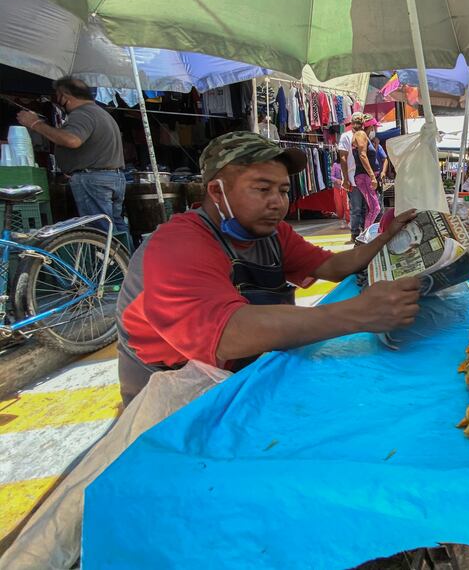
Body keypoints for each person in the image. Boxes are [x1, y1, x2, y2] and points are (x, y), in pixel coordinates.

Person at [115, 131, 420, 405]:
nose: (277, 203)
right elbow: (228, 334)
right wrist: (358, 313)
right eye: (262, 189)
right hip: (172, 400)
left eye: (284, 191)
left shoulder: (272, 234)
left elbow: (332, 266)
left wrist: (386, 236)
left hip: (244, 379)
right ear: (217, 192)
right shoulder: (176, 245)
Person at [16, 76, 127, 235]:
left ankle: (112, 258)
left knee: (100, 231)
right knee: (115, 227)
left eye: (58, 96)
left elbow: (72, 140)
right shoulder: (100, 113)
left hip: (93, 180)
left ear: (64, 96)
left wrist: (35, 124)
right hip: (111, 177)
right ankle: (125, 258)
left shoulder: (82, 114)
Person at [338, 113, 367, 242]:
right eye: (355, 121)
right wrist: (345, 178)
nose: (357, 123)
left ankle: (365, 231)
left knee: (367, 208)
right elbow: (342, 158)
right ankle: (355, 233)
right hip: (352, 177)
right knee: (356, 208)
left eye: (359, 121)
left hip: (364, 177)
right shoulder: (346, 136)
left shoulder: (364, 135)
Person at [351, 117, 382, 231]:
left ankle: (367, 234)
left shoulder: (363, 136)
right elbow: (362, 155)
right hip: (364, 176)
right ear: (369, 126)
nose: (375, 130)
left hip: (365, 176)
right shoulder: (361, 134)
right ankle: (366, 237)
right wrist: (372, 176)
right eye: (374, 127)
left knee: (372, 208)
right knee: (375, 208)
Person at [330, 160, 349, 229]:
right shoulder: (335, 165)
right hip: (337, 188)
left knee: (347, 205)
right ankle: (341, 220)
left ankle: (348, 221)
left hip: (346, 188)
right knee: (339, 205)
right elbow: (331, 176)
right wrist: (336, 180)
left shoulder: (348, 163)